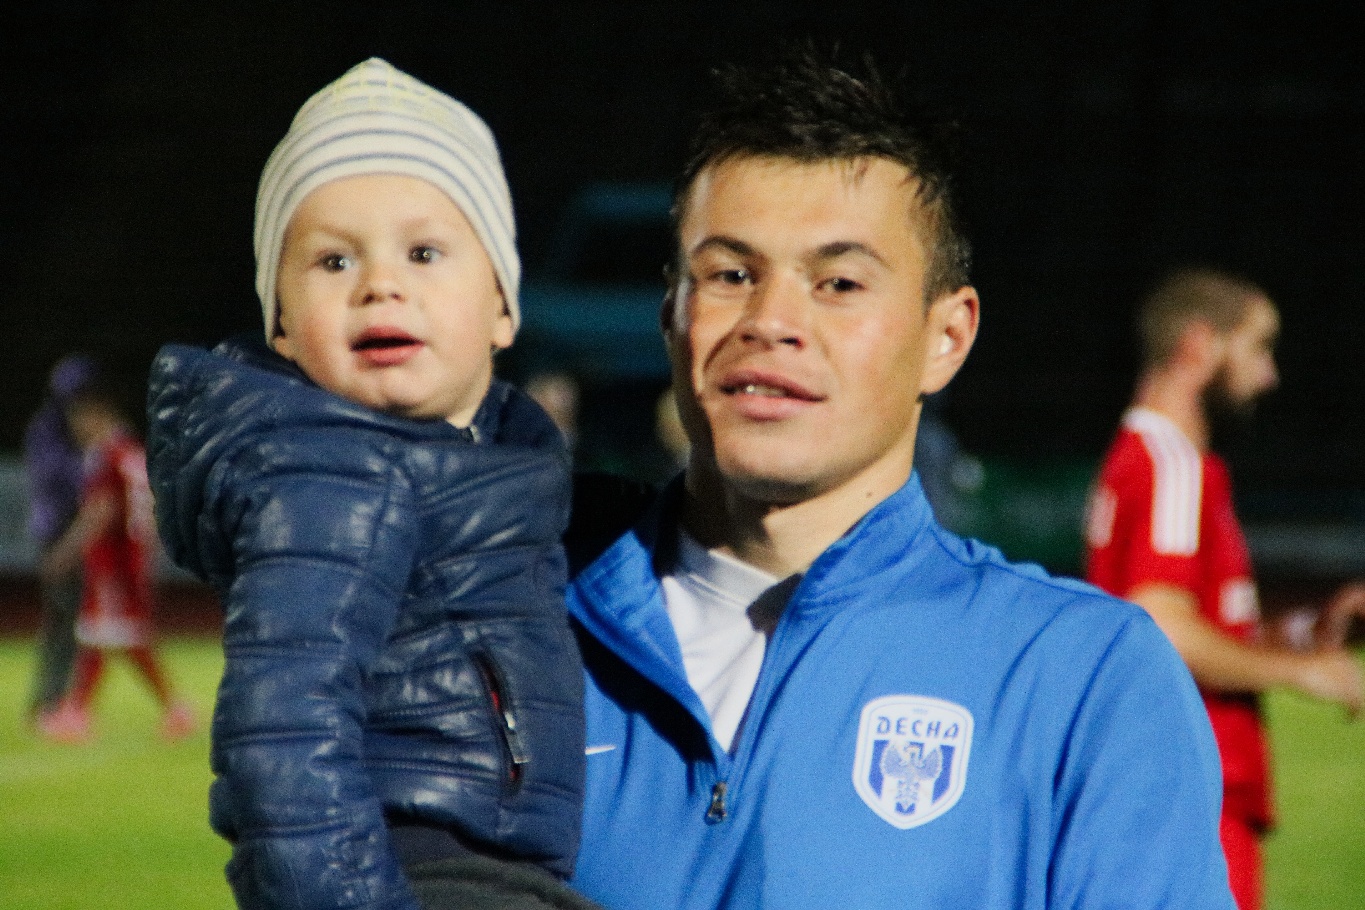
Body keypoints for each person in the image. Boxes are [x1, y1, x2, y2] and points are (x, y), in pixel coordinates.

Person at [564, 48, 1236, 909]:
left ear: (945, 338)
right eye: (731, 275)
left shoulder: (1082, 677)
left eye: (838, 283)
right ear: (672, 313)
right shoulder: (507, 624)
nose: (771, 321)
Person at [146, 59, 597, 910]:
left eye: (423, 252)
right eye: (332, 260)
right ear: (280, 323)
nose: (380, 283)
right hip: (415, 874)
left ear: (503, 306)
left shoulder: (482, 465)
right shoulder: (329, 476)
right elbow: (282, 736)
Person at [1083, 267, 1365, 910]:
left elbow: (1193, 619)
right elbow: (1161, 625)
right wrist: (1303, 672)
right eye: (1258, 347)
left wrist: (1300, 633)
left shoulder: (1149, 459)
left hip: (1163, 787)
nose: (1268, 375)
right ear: (1199, 345)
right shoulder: (1170, 465)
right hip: (1190, 787)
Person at [35, 382, 195, 743]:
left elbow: (101, 512)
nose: (77, 429)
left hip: (112, 561)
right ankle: (167, 709)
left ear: (98, 415)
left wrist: (65, 552)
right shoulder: (131, 452)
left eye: (80, 420)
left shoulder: (107, 455)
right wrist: (147, 551)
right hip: (131, 558)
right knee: (112, 634)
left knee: (106, 634)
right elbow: (148, 509)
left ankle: (78, 714)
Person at [22, 354, 97, 724]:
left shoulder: (60, 429)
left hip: (65, 531)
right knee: (64, 621)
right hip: (58, 534)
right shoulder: (49, 431)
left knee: (69, 621)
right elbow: (59, 483)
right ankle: (50, 704)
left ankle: (54, 702)